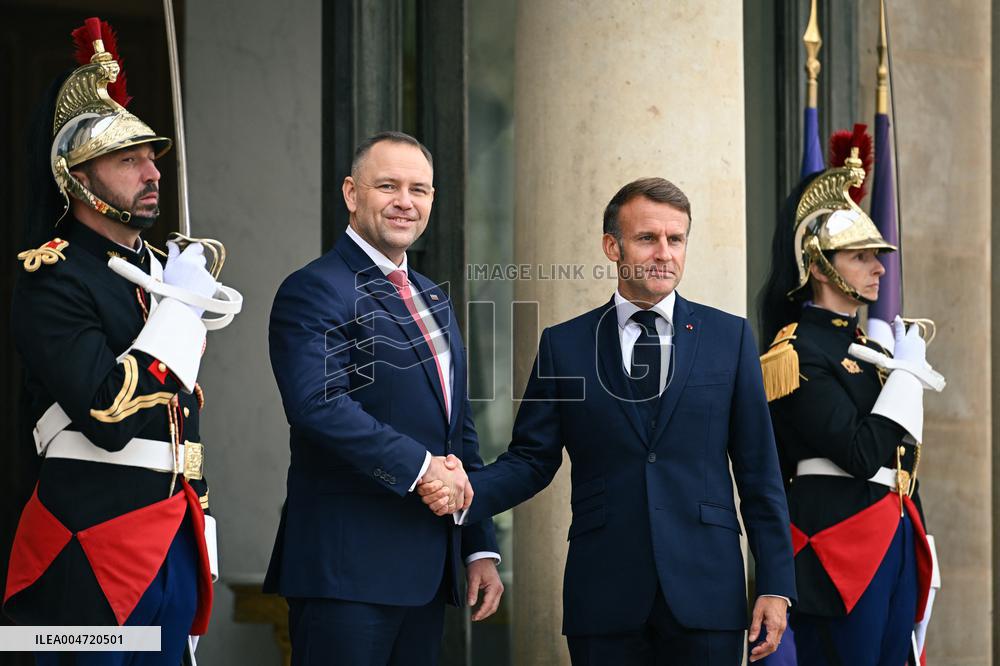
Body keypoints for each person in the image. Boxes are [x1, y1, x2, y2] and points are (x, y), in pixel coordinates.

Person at [422, 177, 796, 664]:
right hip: (603, 594)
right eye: (647, 238)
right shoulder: (565, 345)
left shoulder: (731, 338)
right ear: (612, 247)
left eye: (676, 239)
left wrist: (774, 584)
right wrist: (465, 490)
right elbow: (531, 460)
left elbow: (759, 471)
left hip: (707, 592)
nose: (664, 253)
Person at [3, 17, 227, 665]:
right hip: (88, 549)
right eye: (128, 160)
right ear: (77, 177)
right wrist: (178, 313)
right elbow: (107, 416)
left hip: (174, 541)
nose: (151, 172)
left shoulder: (161, 273)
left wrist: (201, 535)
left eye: (151, 157)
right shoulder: (53, 277)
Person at [264, 131, 503, 665]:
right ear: (352, 194)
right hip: (346, 573)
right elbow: (318, 405)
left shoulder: (433, 297)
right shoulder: (315, 288)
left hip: (428, 570)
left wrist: (478, 544)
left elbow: (457, 430)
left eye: (419, 189)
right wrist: (423, 469)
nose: (405, 202)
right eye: (388, 186)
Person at [757, 135, 936, 665]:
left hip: (894, 529)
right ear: (819, 266)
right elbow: (860, 453)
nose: (879, 268)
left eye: (876, 256)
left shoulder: (870, 349)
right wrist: (905, 378)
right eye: (861, 257)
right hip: (837, 543)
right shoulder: (796, 351)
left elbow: (901, 459)